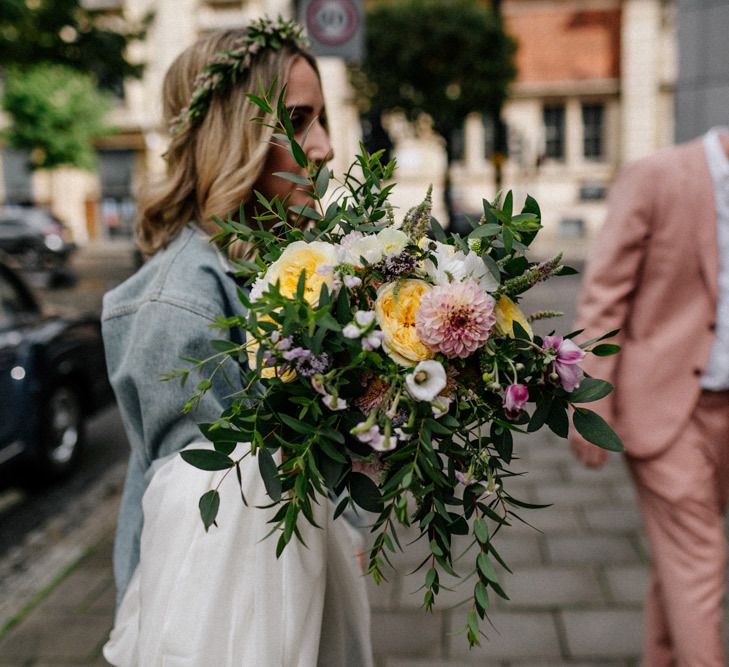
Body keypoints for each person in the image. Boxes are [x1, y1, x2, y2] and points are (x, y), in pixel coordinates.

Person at [101, 18, 373, 666]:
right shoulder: (178, 305)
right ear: (236, 135)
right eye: (301, 120)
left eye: (322, 119)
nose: (326, 147)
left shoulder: (290, 265)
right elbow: (206, 544)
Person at [569, 127, 729, 666]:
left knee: (682, 563)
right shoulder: (657, 177)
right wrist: (590, 400)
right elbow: (604, 298)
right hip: (666, 409)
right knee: (700, 560)